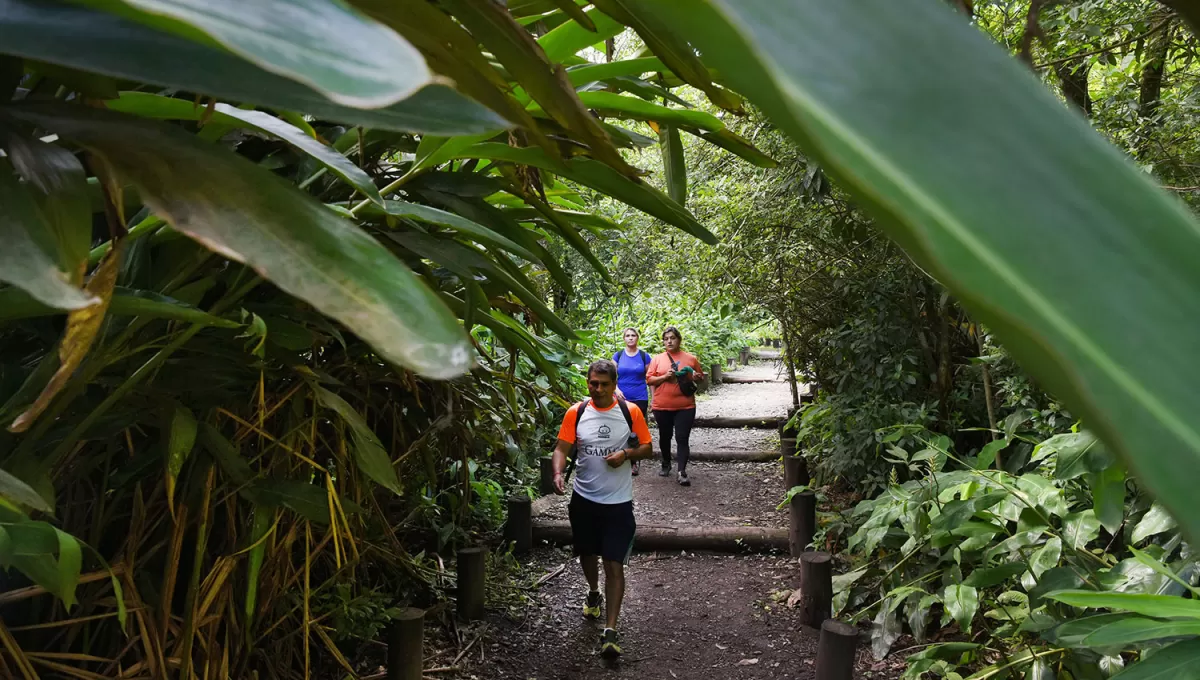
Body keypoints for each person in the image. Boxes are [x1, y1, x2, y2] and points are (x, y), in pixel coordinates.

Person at [551, 360, 653, 658]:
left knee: (613, 563)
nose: (598, 389)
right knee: (587, 553)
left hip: (618, 503)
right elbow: (561, 448)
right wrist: (557, 473)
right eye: (593, 383)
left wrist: (626, 454)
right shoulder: (577, 412)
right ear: (588, 382)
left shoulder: (629, 411)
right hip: (583, 500)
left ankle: (611, 630)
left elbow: (647, 447)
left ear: (614, 384)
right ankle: (593, 592)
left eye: (604, 384)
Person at [646, 326, 704, 486]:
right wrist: (664, 377)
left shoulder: (690, 358)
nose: (669, 341)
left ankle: (682, 471)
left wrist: (697, 377)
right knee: (665, 436)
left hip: (685, 406)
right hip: (661, 405)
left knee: (682, 437)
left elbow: (699, 377)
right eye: (666, 339)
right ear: (663, 342)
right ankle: (666, 462)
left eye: (672, 338)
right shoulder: (657, 359)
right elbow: (649, 379)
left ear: (679, 339)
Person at [612, 327, 653, 476]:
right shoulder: (618, 356)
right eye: (627, 335)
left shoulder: (644, 356)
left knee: (636, 430)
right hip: (622, 398)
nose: (630, 338)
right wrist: (616, 389)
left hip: (640, 397)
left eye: (633, 335)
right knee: (622, 427)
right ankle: (619, 456)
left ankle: (635, 461)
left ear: (637, 338)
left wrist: (653, 399)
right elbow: (611, 376)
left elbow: (650, 379)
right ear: (624, 338)